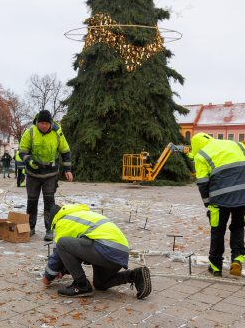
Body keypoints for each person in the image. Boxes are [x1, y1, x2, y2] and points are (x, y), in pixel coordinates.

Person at [189, 133, 245, 278]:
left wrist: (207, 204)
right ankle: (237, 259)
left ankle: (216, 267)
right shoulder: (237, 144)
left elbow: (203, 183)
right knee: (238, 226)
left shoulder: (201, 155)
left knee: (217, 230)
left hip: (220, 198)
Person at [42, 203, 151, 299]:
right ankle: (135, 275)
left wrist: (47, 277)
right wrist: (64, 269)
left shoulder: (63, 222)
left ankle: (81, 285)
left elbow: (58, 255)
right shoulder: (79, 214)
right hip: (119, 252)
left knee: (62, 243)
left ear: (54, 221)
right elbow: (77, 250)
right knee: (101, 283)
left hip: (106, 248)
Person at [18, 110, 73, 241]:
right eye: (41, 123)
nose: (43, 126)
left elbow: (65, 152)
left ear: (50, 123)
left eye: (46, 123)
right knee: (32, 202)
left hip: (50, 174)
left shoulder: (57, 133)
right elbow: (22, 151)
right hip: (33, 173)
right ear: (37, 122)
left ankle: (49, 230)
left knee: (49, 202)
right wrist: (30, 161)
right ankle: (30, 227)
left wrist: (68, 169)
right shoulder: (30, 132)